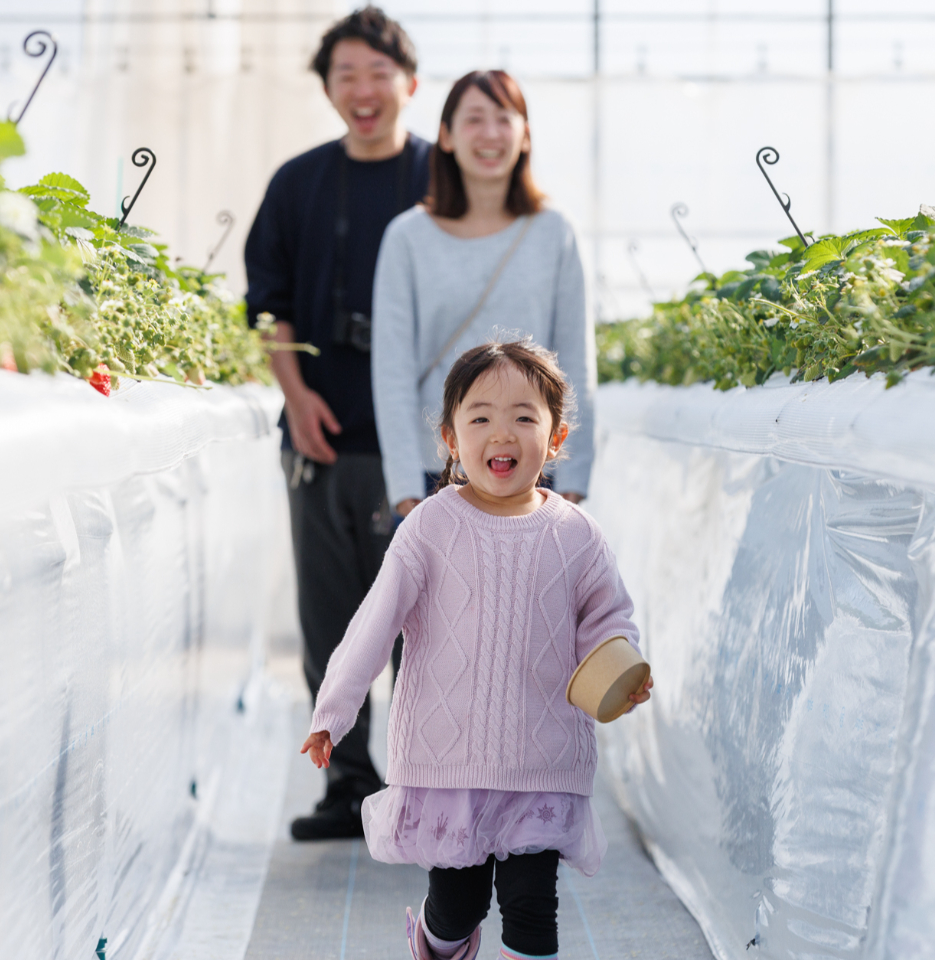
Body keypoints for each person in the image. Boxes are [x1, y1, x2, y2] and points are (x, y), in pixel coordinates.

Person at [301, 341, 654, 960]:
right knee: (458, 904)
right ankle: (434, 943)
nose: (503, 433)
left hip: (542, 758)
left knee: (531, 907)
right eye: (481, 416)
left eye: (525, 416)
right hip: (449, 760)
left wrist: (621, 667)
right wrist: (333, 712)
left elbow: (608, 617)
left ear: (557, 436)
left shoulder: (576, 534)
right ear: (449, 437)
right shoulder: (430, 528)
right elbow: (373, 626)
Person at [243, 6, 432, 841]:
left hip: (423, 450)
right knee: (332, 620)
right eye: (345, 76)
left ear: (408, 84)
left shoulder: (441, 178)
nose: (363, 91)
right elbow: (267, 305)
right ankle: (347, 787)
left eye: (377, 74)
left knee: (426, 628)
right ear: (328, 89)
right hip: (321, 438)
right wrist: (294, 392)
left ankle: (429, 781)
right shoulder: (297, 182)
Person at [370, 70, 595, 519]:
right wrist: (403, 490)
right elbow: (392, 371)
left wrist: (573, 482)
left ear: (525, 135)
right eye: (473, 119)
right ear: (446, 137)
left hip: (533, 468)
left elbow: (575, 359)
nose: (489, 134)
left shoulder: (555, 232)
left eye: (503, 118)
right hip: (432, 473)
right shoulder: (407, 237)